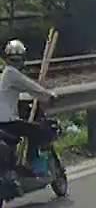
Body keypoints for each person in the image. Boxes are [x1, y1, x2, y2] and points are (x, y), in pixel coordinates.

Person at [0, 39, 56, 174]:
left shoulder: (5, 73)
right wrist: (49, 95)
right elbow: (31, 87)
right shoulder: (12, 73)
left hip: (4, 121)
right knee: (40, 131)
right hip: (7, 122)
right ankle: (31, 162)